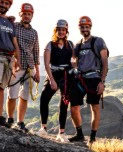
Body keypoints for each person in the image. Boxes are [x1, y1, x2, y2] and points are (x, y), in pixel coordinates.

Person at [69, 15, 108, 144]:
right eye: (82, 27)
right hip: (81, 79)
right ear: (79, 28)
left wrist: (102, 82)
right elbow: (74, 60)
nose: (84, 29)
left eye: (86, 27)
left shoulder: (98, 41)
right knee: (73, 106)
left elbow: (105, 62)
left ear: (90, 27)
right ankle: (79, 134)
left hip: (94, 79)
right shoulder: (78, 45)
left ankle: (92, 137)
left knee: (94, 107)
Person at [38, 19, 73, 142]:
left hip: (66, 76)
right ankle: (43, 128)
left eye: (63, 30)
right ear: (55, 31)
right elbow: (47, 64)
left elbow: (74, 60)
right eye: (59, 30)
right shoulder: (50, 45)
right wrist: (51, 80)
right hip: (53, 74)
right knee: (44, 99)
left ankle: (61, 133)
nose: (61, 32)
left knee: (64, 103)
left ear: (66, 31)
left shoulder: (70, 45)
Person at [7, 2, 40, 132]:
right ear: (20, 14)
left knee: (24, 96)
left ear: (32, 16)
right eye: (24, 13)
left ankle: (20, 122)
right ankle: (10, 119)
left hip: (29, 66)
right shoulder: (13, 26)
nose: (26, 16)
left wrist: (37, 71)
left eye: (29, 14)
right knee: (12, 94)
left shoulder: (34, 32)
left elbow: (36, 52)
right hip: (16, 66)